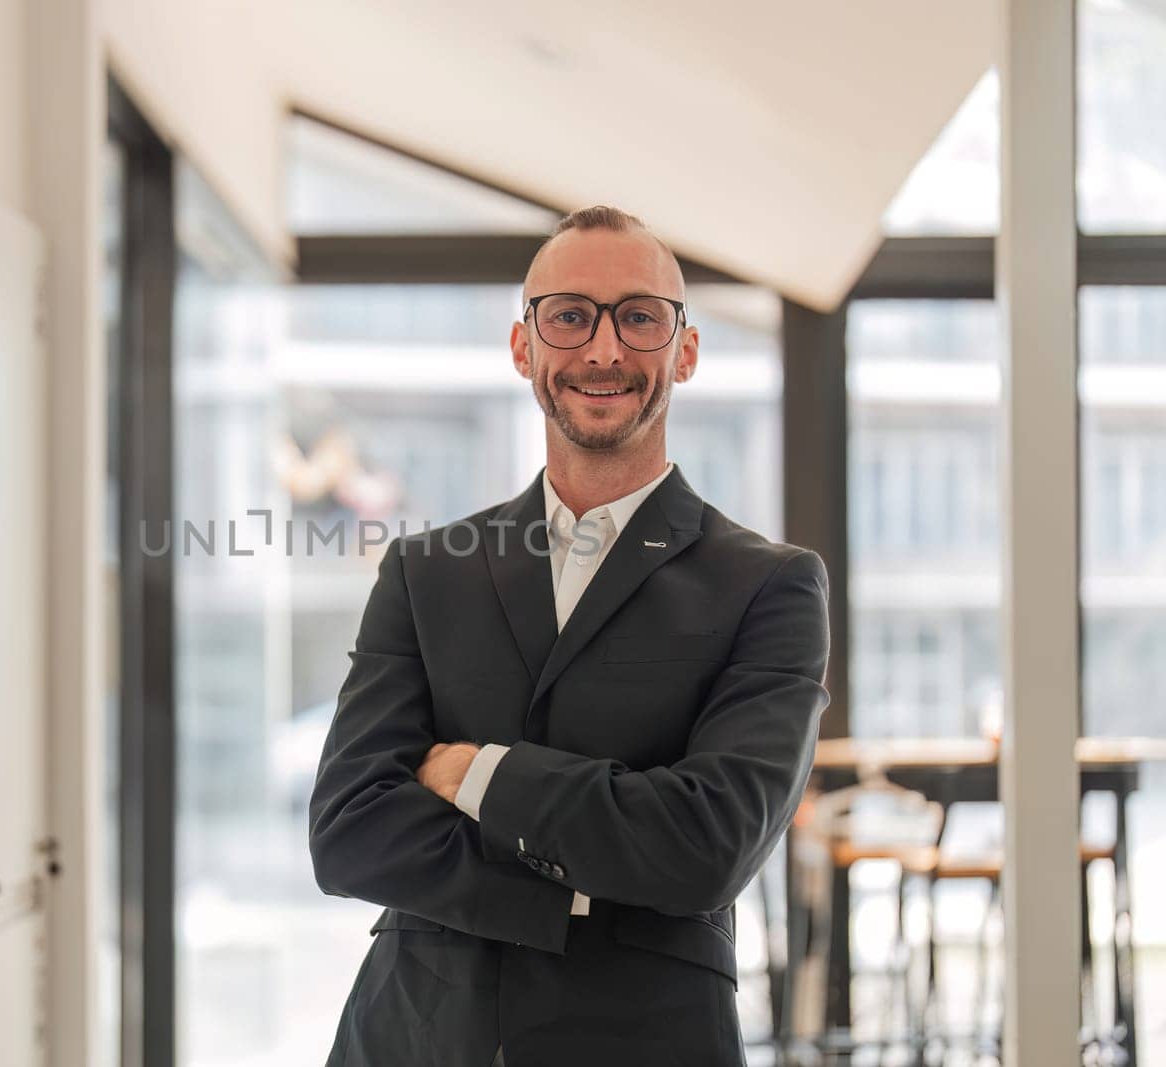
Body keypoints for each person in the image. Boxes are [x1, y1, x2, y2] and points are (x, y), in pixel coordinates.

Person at [307, 205, 832, 1066]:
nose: (603, 349)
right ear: (525, 347)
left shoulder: (769, 586)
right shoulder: (427, 570)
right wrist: (582, 894)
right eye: (569, 315)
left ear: (684, 351)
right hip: (417, 1036)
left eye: (639, 316)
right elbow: (349, 828)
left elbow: (706, 846)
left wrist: (476, 771)